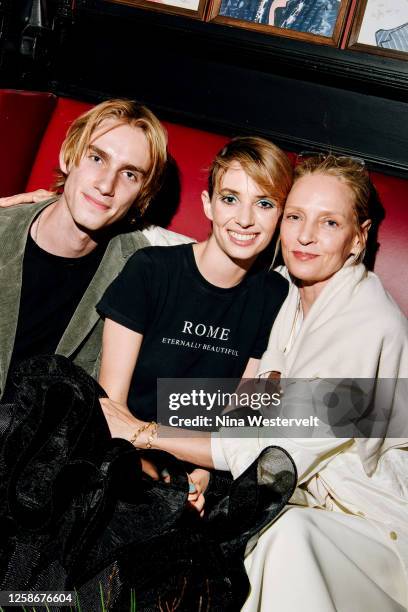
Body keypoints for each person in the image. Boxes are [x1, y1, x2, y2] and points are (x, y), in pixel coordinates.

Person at [0, 136, 297, 610]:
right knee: (49, 583)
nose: (244, 219)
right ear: (207, 204)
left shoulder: (273, 298)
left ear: (282, 215)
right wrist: (151, 464)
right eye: (229, 198)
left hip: (194, 466)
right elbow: (111, 408)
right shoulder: (151, 268)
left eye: (264, 203)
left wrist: (198, 475)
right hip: (116, 458)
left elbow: (239, 420)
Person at [209, 154, 408, 611]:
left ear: (359, 237)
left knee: (285, 538)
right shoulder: (286, 290)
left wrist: (145, 432)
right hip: (298, 498)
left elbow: (275, 459)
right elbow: (198, 259)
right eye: (295, 216)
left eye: (329, 223)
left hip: (371, 527)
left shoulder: (368, 323)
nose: (305, 236)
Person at [0, 98, 191, 407]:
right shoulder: (3, 227)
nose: (106, 184)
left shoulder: (142, 270)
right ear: (67, 156)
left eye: (130, 174)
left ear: (144, 194)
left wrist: (246, 436)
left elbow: (178, 391)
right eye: (96, 158)